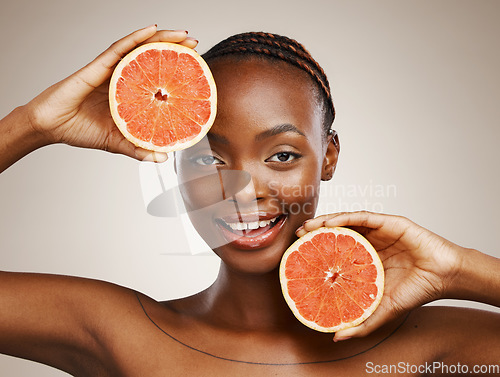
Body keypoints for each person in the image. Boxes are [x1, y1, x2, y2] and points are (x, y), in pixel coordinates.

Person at [1, 25, 499, 376]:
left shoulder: (421, 346)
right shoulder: (120, 333)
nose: (243, 190)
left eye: (281, 155)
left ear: (328, 156)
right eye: (209, 161)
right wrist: (35, 124)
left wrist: (459, 270)